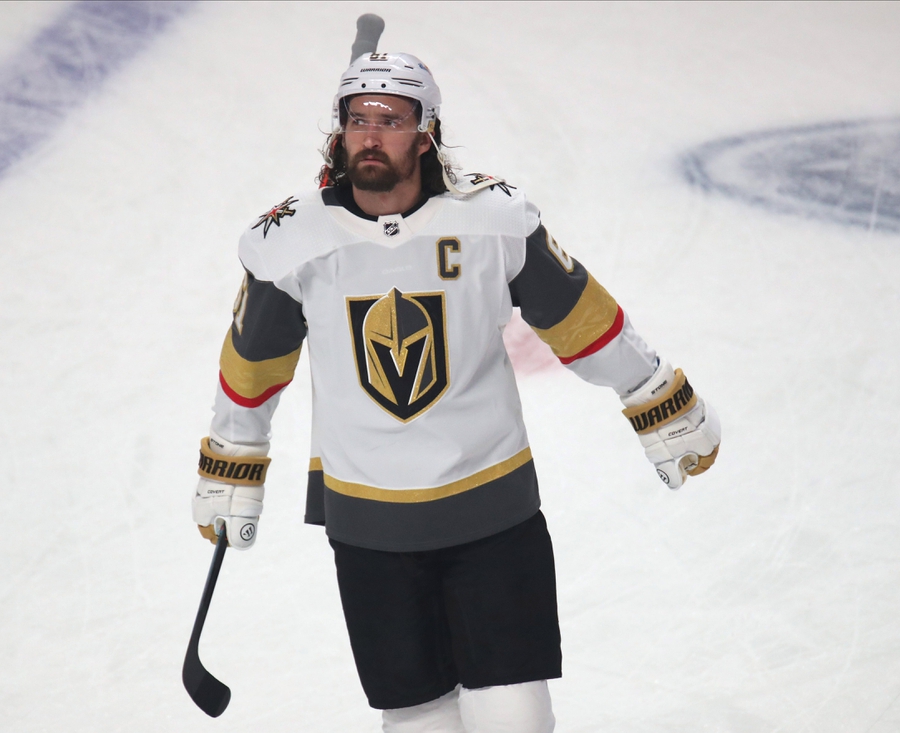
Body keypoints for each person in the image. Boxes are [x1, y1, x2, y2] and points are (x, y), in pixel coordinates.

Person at [191, 51, 720, 733]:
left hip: (491, 513)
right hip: (370, 526)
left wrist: (654, 395)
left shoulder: (491, 219)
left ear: (427, 132)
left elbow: (578, 317)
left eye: (391, 118)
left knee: (514, 717)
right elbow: (253, 363)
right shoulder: (291, 242)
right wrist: (234, 455)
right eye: (357, 118)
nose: (370, 134)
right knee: (419, 722)